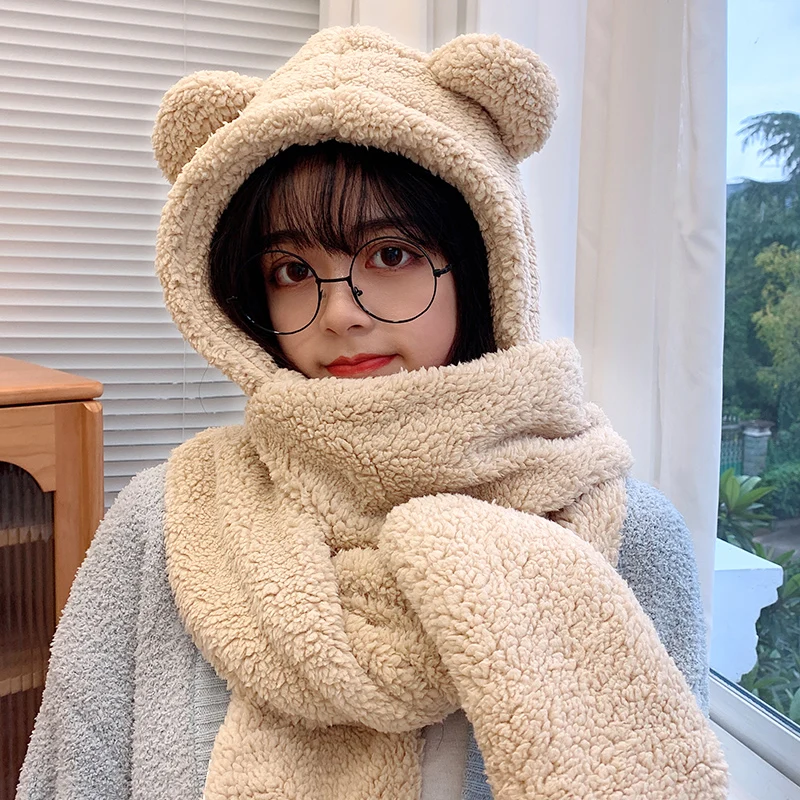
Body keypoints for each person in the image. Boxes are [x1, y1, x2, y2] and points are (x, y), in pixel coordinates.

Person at [17, 25, 729, 800]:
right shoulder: (167, 522)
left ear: (484, 262)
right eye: (292, 270)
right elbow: (72, 775)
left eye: (390, 255)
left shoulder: (623, 535)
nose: (339, 314)